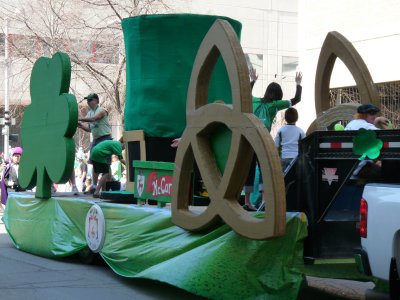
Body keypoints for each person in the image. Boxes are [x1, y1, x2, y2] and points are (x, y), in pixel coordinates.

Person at [243, 69, 303, 211]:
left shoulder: (254, 101)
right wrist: (298, 84)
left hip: (249, 139)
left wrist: (253, 80)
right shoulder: (274, 105)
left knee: (249, 170)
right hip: (262, 140)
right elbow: (296, 100)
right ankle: (264, 200)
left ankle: (247, 201)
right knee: (264, 168)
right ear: (277, 95)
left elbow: (244, 96)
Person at [77, 93, 112, 190]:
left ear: (97, 101)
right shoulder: (89, 113)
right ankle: (95, 186)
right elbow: (89, 128)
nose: (88, 102)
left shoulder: (101, 110)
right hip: (95, 140)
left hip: (105, 139)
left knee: (105, 165)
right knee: (94, 163)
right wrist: (80, 125)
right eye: (87, 100)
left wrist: (79, 118)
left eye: (90, 100)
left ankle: (105, 189)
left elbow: (93, 119)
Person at [274, 107, 305, 172]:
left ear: (285, 118)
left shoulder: (281, 131)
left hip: (284, 158)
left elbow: (275, 146)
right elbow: (305, 147)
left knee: (284, 179)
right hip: (296, 159)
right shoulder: (300, 131)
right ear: (297, 118)